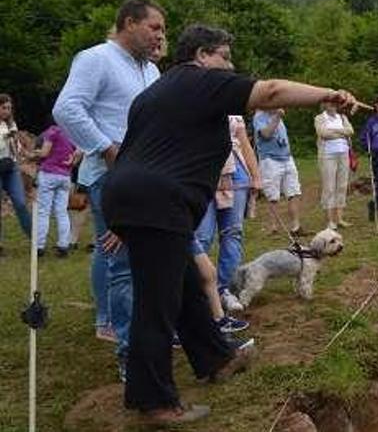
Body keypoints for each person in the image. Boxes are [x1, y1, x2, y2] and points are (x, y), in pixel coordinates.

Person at [100, 24, 357, 424]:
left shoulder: (154, 94)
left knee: (184, 286)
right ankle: (154, 401)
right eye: (225, 56)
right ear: (202, 55)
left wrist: (125, 215)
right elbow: (269, 92)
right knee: (157, 304)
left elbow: (134, 154)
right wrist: (328, 95)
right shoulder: (201, 81)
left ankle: (217, 359)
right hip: (158, 204)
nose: (231, 66)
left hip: (138, 199)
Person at [53, 0, 165, 351]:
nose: (160, 36)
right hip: (111, 176)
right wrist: (106, 147)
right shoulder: (95, 58)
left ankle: (141, 330)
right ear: (130, 22)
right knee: (122, 262)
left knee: (148, 257)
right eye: (154, 27)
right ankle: (128, 349)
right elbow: (67, 108)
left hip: (147, 176)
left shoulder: (150, 69)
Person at [194, 114, 261, 315]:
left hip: (236, 175)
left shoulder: (230, 107)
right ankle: (199, 293)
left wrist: (256, 175)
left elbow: (244, 143)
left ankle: (225, 290)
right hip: (201, 173)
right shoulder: (186, 101)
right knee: (201, 238)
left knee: (233, 233)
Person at [28, 120, 76, 257]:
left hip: (49, 174)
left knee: (43, 211)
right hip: (65, 176)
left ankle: (39, 246)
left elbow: (44, 153)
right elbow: (79, 151)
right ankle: (63, 245)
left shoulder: (52, 131)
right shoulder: (71, 133)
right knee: (62, 212)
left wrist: (35, 152)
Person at [253, 108, 303, 236]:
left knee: (294, 192)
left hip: (286, 158)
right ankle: (273, 227)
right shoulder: (260, 116)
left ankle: (296, 227)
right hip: (270, 160)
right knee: (273, 196)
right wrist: (277, 116)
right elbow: (266, 134)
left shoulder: (276, 115)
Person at [315, 98, 354, 230]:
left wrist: (335, 132)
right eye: (329, 103)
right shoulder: (320, 118)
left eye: (334, 103)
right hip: (327, 156)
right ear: (324, 104)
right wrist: (342, 133)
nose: (332, 106)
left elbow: (350, 131)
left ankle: (339, 218)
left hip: (343, 154)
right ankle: (330, 220)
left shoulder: (342, 117)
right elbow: (323, 133)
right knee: (329, 187)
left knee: (342, 185)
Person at [0, 93, 32, 256]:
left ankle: (35, 240)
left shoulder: (11, 124)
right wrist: (5, 138)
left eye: (9, 108)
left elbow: (17, 147)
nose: (7, 111)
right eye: (4, 107)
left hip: (10, 167)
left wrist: (25, 152)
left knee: (20, 203)